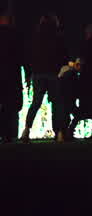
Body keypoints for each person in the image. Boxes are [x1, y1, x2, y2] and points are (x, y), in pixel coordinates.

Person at [21, 12, 66, 142]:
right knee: (57, 103)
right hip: (53, 73)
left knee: (36, 103)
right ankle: (58, 132)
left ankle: (26, 130)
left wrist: (29, 72)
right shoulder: (58, 37)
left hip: (38, 73)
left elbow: (30, 56)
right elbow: (63, 55)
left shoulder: (36, 37)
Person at [0, 12, 21, 143]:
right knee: (10, 106)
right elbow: (21, 55)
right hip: (11, 74)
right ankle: (9, 134)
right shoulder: (15, 35)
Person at [53, 58, 81, 142]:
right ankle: (66, 133)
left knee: (63, 116)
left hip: (61, 97)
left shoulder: (65, 71)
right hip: (67, 98)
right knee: (71, 115)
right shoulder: (71, 74)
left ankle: (62, 134)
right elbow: (72, 88)